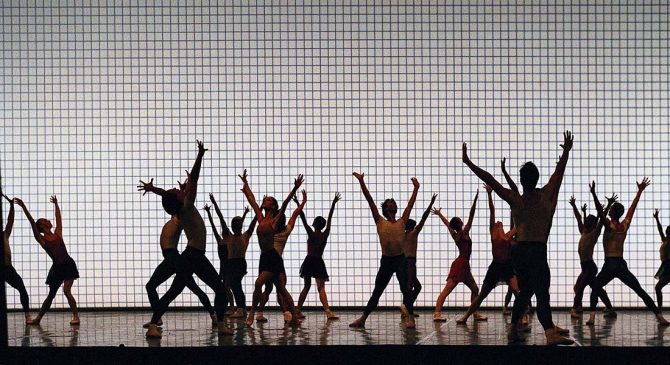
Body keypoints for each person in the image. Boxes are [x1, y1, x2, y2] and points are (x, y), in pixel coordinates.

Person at [462, 131, 574, 345]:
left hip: (520, 252)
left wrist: (469, 162)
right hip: (537, 250)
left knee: (527, 291)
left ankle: (514, 327)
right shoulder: (546, 195)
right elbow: (558, 174)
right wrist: (566, 152)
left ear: (521, 181)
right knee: (541, 290)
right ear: (536, 179)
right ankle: (549, 331)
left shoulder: (516, 200)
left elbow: (490, 179)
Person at [138, 140, 232, 338]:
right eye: (178, 191)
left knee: (179, 291)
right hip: (193, 256)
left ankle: (156, 324)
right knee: (217, 289)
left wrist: (154, 189)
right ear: (180, 199)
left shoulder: (179, 208)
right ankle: (220, 323)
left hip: (194, 255)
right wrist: (200, 155)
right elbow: (195, 178)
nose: (178, 188)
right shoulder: (187, 206)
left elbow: (167, 194)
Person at [586, 178, 669, 326]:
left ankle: (592, 318)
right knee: (639, 290)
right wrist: (640, 191)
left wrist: (593, 194)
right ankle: (659, 316)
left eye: (610, 209)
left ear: (612, 213)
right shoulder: (624, 225)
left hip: (610, 263)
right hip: (621, 264)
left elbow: (599, 211)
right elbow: (632, 208)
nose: (609, 210)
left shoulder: (609, 225)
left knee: (596, 286)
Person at [141, 177, 217, 328]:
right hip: (171, 257)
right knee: (192, 287)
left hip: (173, 257)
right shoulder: (174, 216)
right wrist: (152, 188)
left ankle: (157, 317)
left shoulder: (181, 216)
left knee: (155, 286)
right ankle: (213, 314)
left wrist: (183, 190)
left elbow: (167, 195)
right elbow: (166, 194)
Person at [349, 172, 419, 329]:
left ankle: (410, 318)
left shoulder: (402, 221)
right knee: (377, 291)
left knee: (406, 290)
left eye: (394, 202)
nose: (394, 203)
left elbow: (410, 204)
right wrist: (361, 182)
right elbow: (370, 201)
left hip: (400, 259)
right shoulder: (379, 220)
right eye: (391, 202)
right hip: (387, 260)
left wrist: (416, 189)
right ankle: (363, 318)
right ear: (386, 208)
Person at [238, 169, 305, 327]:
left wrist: (295, 188)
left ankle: (252, 313)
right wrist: (246, 185)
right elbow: (253, 201)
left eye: (268, 200)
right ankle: (294, 316)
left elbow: (286, 203)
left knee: (258, 283)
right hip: (265, 256)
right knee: (281, 289)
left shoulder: (275, 220)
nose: (265, 201)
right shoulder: (261, 218)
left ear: (273, 205)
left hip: (273, 257)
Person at [456, 185, 518, 324]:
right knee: (482, 295)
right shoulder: (493, 232)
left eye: (499, 223)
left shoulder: (508, 235)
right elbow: (492, 211)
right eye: (496, 222)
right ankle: (466, 316)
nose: (498, 222)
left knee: (516, 291)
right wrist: (490, 194)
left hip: (507, 266)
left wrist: (517, 208)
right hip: (495, 267)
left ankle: (522, 316)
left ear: (502, 227)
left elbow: (518, 223)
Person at [15, 196, 79, 325]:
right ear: (42, 226)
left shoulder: (58, 233)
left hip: (68, 265)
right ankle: (38, 319)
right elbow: (32, 222)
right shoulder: (42, 240)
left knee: (67, 291)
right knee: (51, 295)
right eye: (45, 220)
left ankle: (76, 316)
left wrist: (56, 204)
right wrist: (23, 207)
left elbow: (59, 218)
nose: (48, 220)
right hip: (57, 268)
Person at [432, 190, 486, 322]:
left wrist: (439, 214)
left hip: (463, 264)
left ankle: (474, 313)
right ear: (460, 223)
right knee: (447, 289)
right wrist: (474, 202)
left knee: (475, 288)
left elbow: (447, 224)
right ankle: (437, 313)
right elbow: (471, 216)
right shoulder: (464, 233)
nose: (463, 220)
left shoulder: (455, 235)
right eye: (461, 220)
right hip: (460, 264)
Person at [568, 183, 616, 318]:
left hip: (590, 266)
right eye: (587, 221)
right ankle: (610, 308)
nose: (586, 222)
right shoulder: (584, 231)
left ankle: (575, 309)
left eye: (589, 221)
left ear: (593, 224)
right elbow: (579, 219)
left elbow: (601, 218)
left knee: (581, 286)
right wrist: (574, 207)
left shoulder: (595, 233)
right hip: (585, 267)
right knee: (595, 287)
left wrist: (605, 207)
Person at [204, 194, 256, 318]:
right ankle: (241, 309)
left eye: (239, 223)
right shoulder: (230, 236)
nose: (238, 224)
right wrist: (214, 204)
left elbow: (253, 223)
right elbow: (221, 218)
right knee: (236, 286)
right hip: (234, 263)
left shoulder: (244, 235)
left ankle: (240, 309)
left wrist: (259, 210)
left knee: (235, 286)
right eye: (236, 223)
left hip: (237, 263)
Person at [295, 192, 342, 320]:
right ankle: (328, 312)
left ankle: (298, 310)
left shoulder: (311, 233)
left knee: (307, 286)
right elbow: (330, 218)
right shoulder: (325, 234)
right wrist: (333, 203)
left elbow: (303, 219)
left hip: (309, 260)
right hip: (319, 261)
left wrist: (299, 204)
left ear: (314, 224)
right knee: (321, 288)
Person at [401, 193, 437, 320]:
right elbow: (424, 218)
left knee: (414, 286)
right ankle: (406, 308)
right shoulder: (413, 233)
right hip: (410, 261)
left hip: (403, 262)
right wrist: (431, 204)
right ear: (412, 226)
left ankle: (407, 308)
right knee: (410, 285)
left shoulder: (401, 235)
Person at [1, 193, 32, 324]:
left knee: (22, 289)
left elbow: (10, 220)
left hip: (8, 269)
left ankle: (27, 316)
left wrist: (11, 206)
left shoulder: (4, 234)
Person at [653, 209, 670, 310]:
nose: (666, 232)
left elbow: (660, 231)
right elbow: (660, 230)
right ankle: (659, 308)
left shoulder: (667, 241)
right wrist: (657, 219)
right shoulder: (665, 240)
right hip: (665, 266)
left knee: (658, 287)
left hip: (668, 266)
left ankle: (659, 308)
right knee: (658, 287)